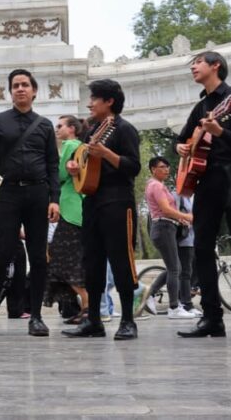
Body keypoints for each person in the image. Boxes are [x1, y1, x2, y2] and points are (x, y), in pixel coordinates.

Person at [0, 69, 60, 337]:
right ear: (10, 92)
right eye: (15, 85)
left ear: (34, 90)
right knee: (1, 256)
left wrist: (55, 200)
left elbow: (53, 165)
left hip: (38, 195)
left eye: (25, 85)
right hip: (8, 195)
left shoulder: (44, 125)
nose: (20, 89)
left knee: (39, 257)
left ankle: (37, 317)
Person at [175, 51, 231, 341]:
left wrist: (221, 131)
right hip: (206, 181)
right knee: (201, 248)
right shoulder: (201, 106)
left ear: (216, 66)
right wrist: (182, 148)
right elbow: (184, 139)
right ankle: (212, 318)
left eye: (197, 62)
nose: (192, 67)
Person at [62, 79, 142, 340]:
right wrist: (74, 167)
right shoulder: (90, 131)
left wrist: (106, 153)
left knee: (121, 261)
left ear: (109, 101)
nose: (89, 103)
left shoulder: (124, 129)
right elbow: (81, 162)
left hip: (118, 203)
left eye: (94, 98)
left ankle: (128, 321)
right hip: (92, 203)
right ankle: (93, 320)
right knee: (92, 263)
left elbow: (133, 167)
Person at [45, 115, 88, 324]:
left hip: (70, 209)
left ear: (72, 129)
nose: (57, 129)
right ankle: (85, 307)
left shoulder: (71, 144)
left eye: (60, 126)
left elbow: (59, 174)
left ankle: (87, 305)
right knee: (70, 260)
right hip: (77, 209)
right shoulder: (81, 146)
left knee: (63, 261)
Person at [144, 157, 197, 319]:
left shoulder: (159, 186)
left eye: (167, 166)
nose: (166, 170)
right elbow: (165, 210)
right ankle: (173, 307)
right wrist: (187, 217)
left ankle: (171, 304)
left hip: (166, 227)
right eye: (162, 167)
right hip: (163, 227)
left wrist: (179, 219)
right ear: (153, 169)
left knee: (176, 268)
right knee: (175, 269)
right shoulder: (156, 186)